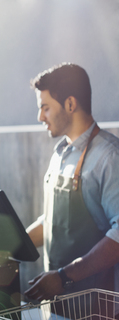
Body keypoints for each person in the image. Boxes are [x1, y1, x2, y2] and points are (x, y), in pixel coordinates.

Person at [24, 63, 119, 303]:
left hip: (97, 307)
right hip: (59, 303)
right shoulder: (61, 153)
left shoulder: (109, 157)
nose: (40, 117)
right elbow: (55, 220)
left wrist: (64, 277)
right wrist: (12, 245)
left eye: (45, 108)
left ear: (70, 104)